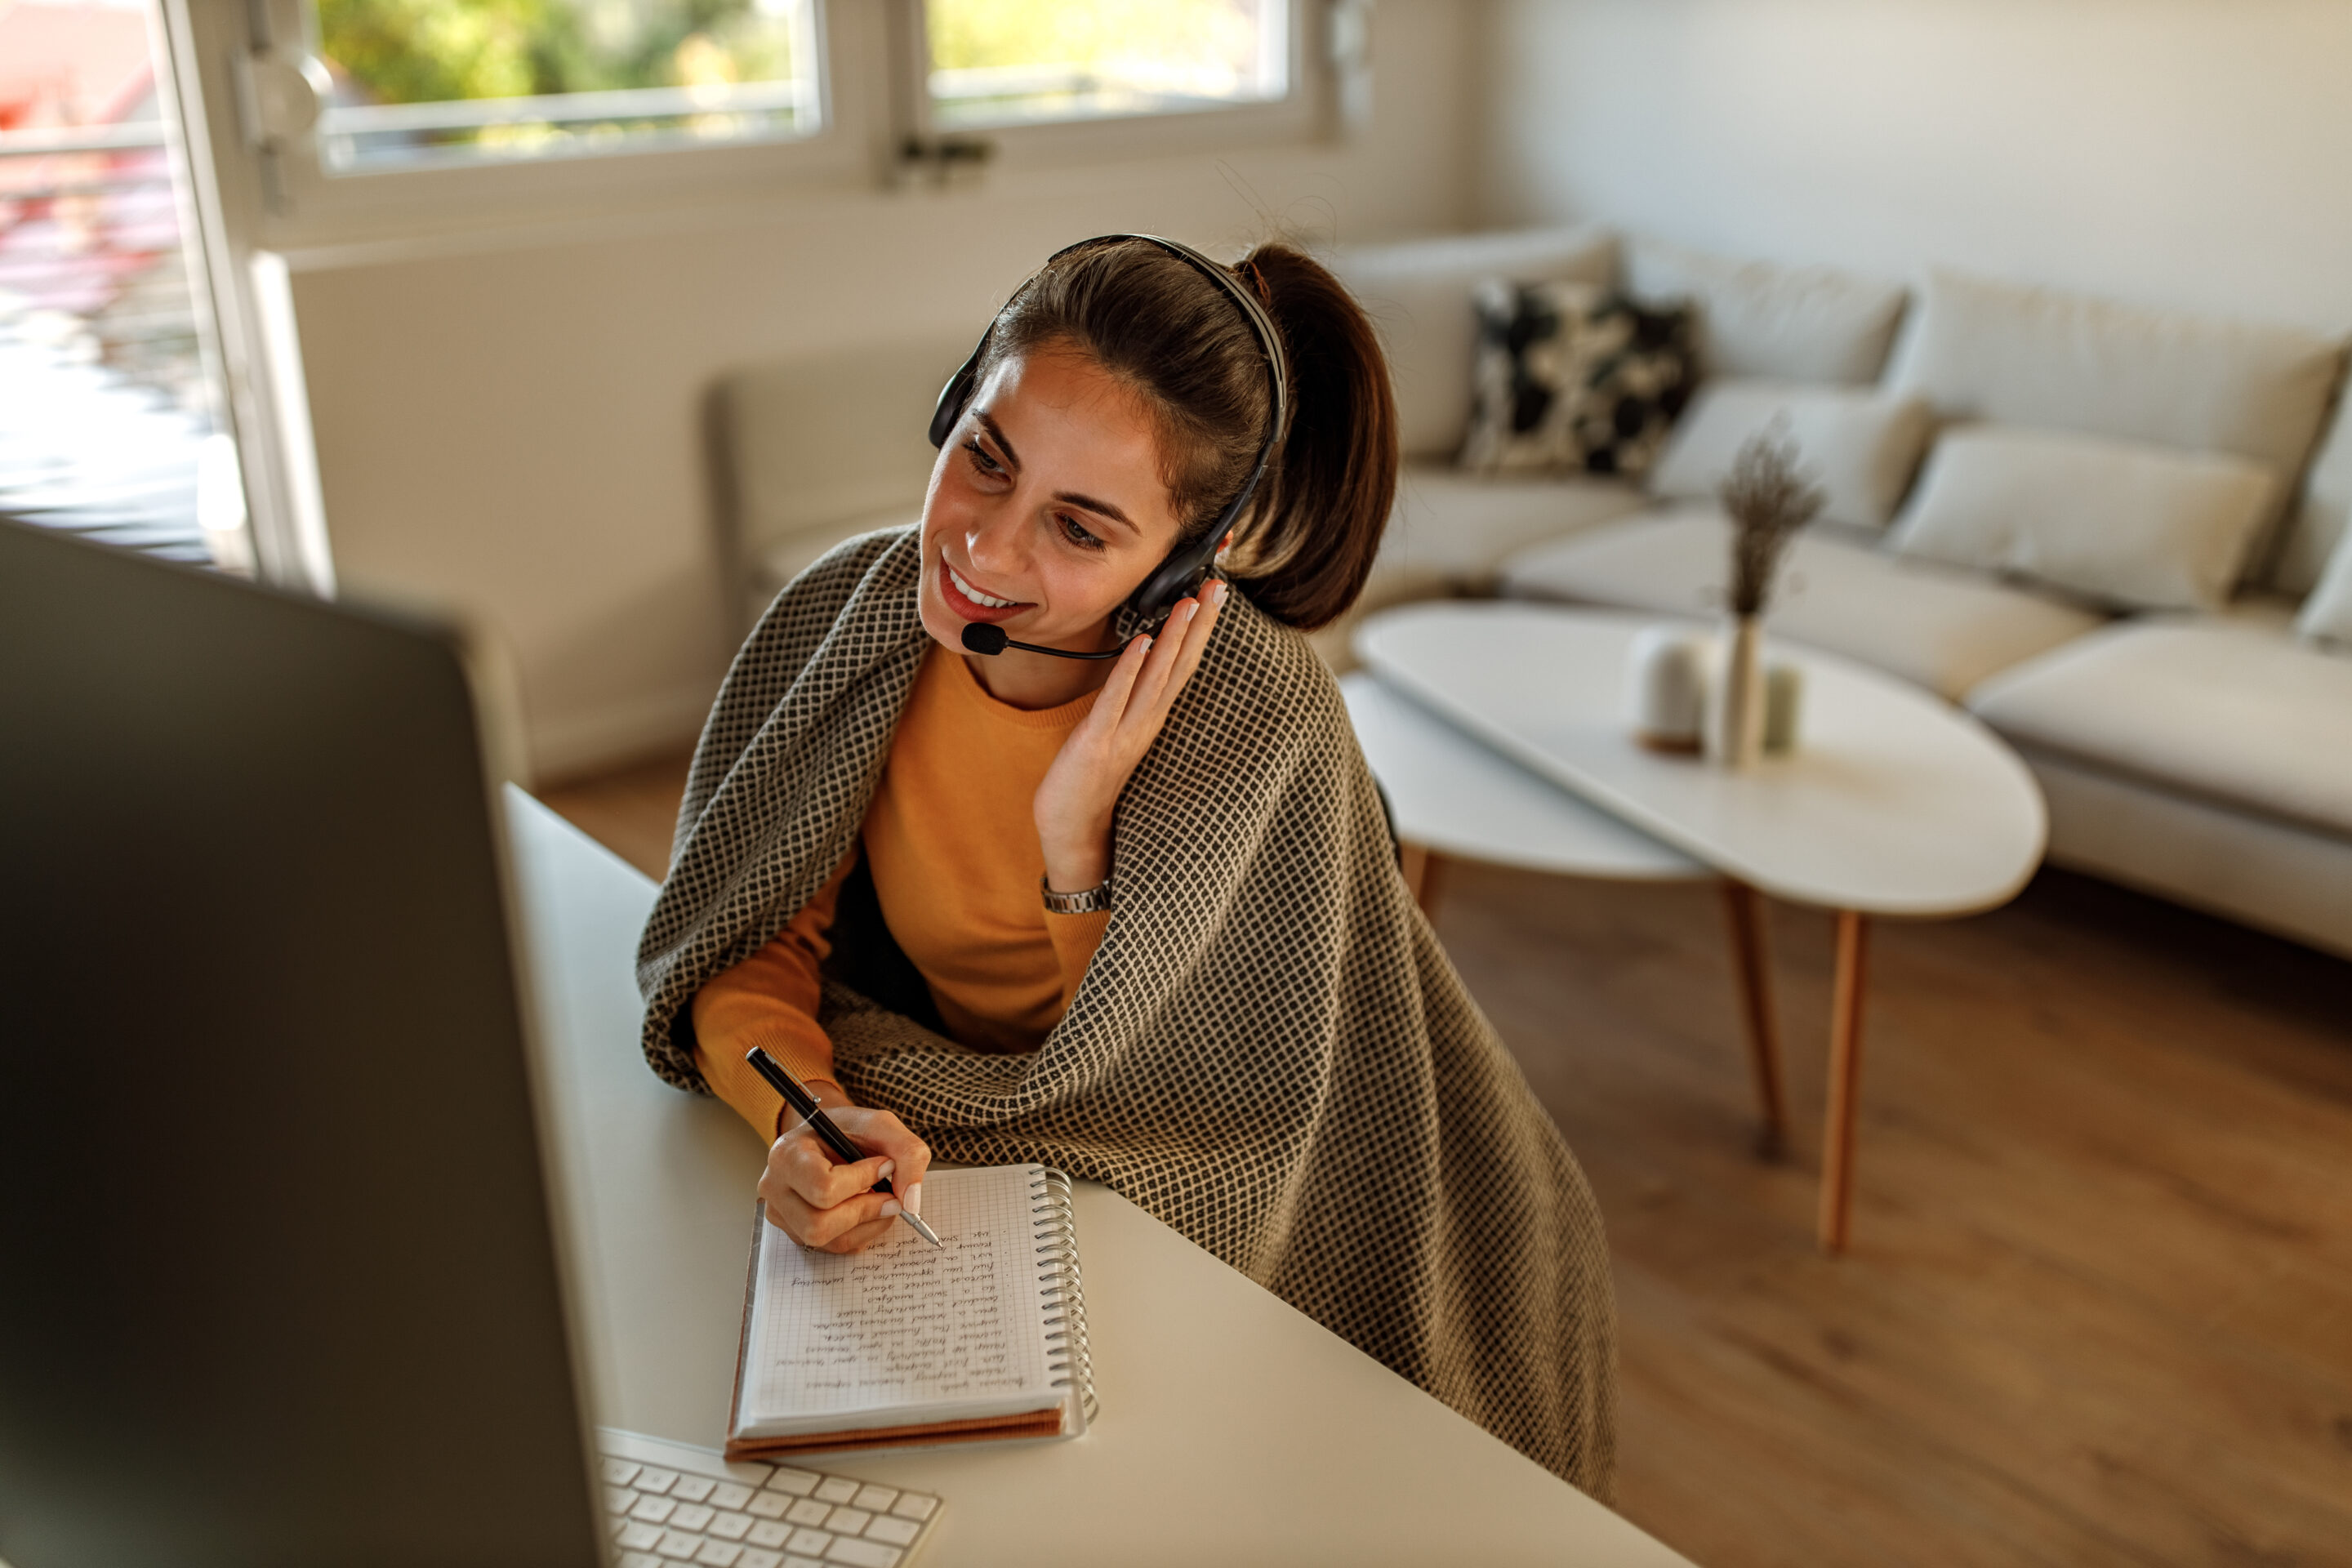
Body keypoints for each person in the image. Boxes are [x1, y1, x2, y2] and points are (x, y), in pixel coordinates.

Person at [636, 234, 1617, 1496]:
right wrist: (802, 1117)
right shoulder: (850, 619)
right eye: (985, 455)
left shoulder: (1259, 722)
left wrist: (1075, 839)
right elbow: (749, 943)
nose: (985, 548)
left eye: (1081, 528)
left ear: (1179, 566)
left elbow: (1178, 1092)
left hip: (1401, 1185)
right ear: (954, 403)